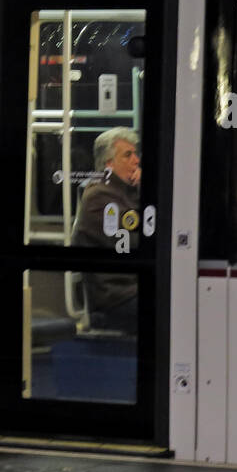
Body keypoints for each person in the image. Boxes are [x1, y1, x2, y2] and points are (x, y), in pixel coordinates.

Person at [73, 127, 141, 330]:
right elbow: (132, 240)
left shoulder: (123, 191)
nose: (136, 160)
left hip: (131, 287)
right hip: (115, 296)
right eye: (127, 155)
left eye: (135, 154)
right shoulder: (99, 196)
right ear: (109, 164)